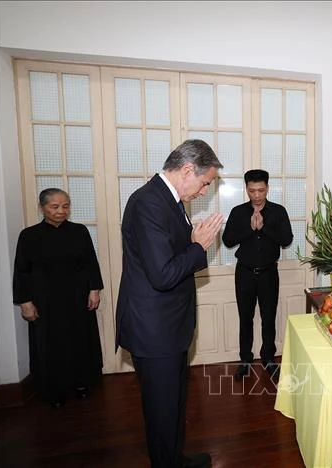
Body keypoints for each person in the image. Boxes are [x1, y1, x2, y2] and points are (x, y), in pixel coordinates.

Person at [116, 139, 224, 468]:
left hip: (170, 326)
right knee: (162, 411)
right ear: (188, 169)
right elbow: (163, 274)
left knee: (174, 404)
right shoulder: (148, 202)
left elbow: (171, 255)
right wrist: (199, 246)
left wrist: (191, 242)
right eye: (205, 183)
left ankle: (175, 458)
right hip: (155, 328)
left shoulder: (170, 200)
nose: (205, 192)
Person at [13, 188, 104, 409]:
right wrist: (25, 302)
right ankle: (53, 389)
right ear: (42, 207)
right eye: (55, 207)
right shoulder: (29, 235)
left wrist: (94, 290)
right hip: (45, 302)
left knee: (80, 341)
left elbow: (90, 263)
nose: (61, 211)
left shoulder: (79, 231)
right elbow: (22, 271)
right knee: (50, 345)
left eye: (65, 206)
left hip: (77, 299)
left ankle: (82, 383)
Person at [222, 169, 293, 382]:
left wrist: (264, 228)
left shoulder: (278, 211)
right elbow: (228, 240)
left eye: (261, 190)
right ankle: (245, 361)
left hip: (269, 273)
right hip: (244, 273)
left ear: (267, 188)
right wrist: (250, 229)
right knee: (246, 318)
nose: (256, 195)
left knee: (268, 317)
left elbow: (286, 239)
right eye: (252, 190)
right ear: (246, 189)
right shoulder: (237, 212)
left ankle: (269, 359)